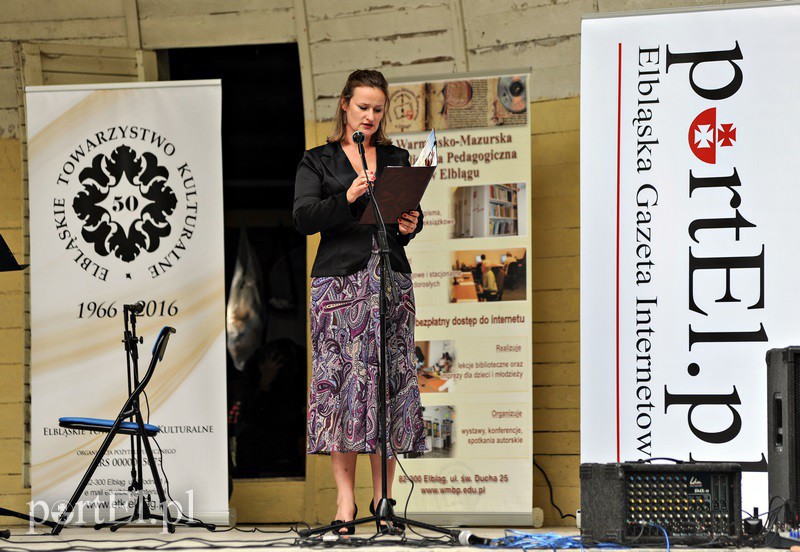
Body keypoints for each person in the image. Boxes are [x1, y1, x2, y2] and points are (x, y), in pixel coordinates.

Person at [293, 69, 427, 535]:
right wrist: (348, 197)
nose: (370, 116)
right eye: (363, 107)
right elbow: (303, 218)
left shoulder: (395, 157)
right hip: (338, 288)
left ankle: (384, 502)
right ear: (345, 104)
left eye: (378, 109)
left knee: (387, 385)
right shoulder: (318, 161)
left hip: (390, 280)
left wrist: (413, 222)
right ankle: (345, 507)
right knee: (342, 389)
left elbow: (405, 212)